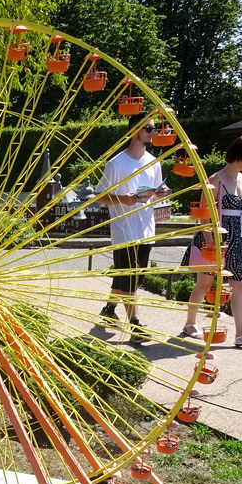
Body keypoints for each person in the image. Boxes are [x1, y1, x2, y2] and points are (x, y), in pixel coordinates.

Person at [182, 135, 242, 347]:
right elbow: (203, 214)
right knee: (205, 283)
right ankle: (190, 323)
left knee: (240, 285)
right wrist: (211, 243)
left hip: (239, 237)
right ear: (241, 154)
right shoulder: (215, 179)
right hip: (215, 238)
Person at [97, 113, 170, 343]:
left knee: (132, 277)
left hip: (145, 228)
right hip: (124, 229)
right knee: (129, 277)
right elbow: (99, 196)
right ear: (134, 130)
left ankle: (109, 309)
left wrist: (160, 192)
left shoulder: (154, 162)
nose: (152, 132)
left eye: (154, 129)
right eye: (148, 128)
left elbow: (157, 191)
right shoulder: (116, 163)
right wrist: (122, 200)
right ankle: (135, 326)